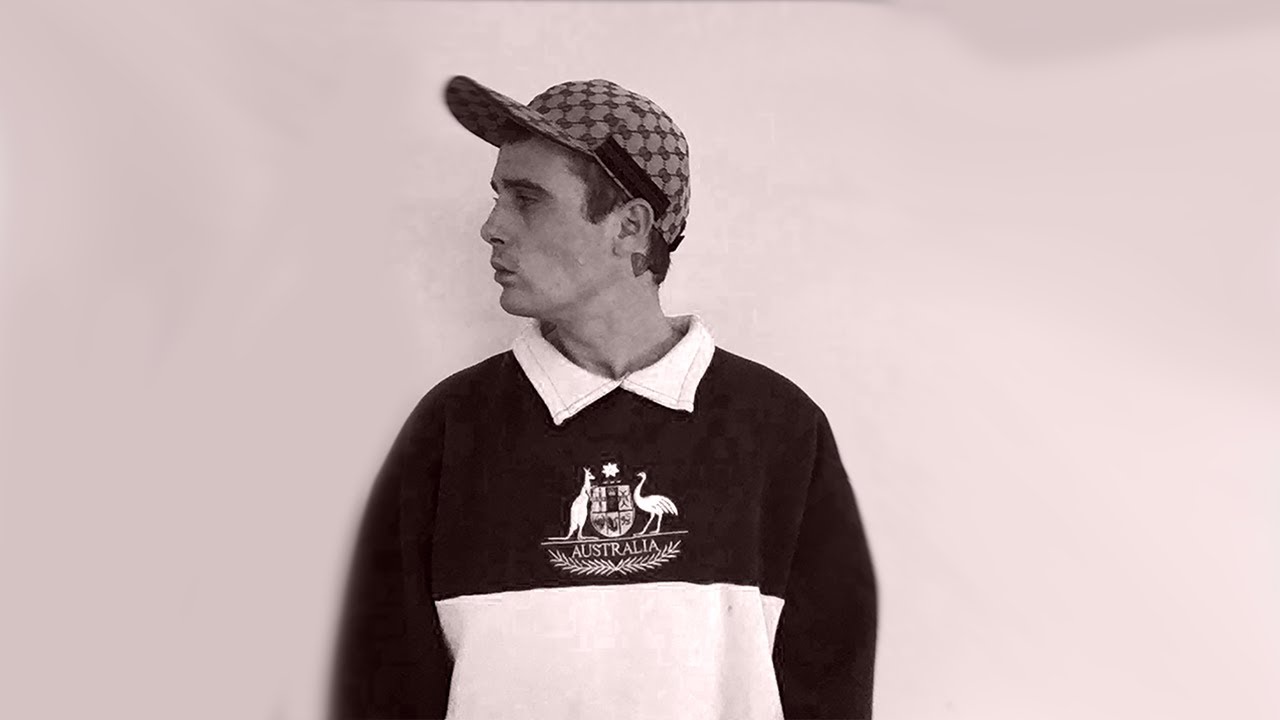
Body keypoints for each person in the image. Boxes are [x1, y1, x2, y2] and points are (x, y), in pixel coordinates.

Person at [328, 75, 878, 720]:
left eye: (527, 199)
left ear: (630, 226)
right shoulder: (450, 429)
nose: (491, 227)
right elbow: (384, 680)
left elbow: (829, 679)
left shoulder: (778, 428)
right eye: (497, 197)